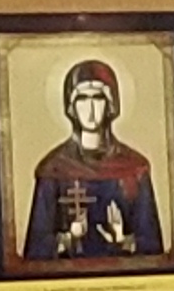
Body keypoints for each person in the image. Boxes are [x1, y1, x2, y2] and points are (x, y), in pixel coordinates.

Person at [22, 56, 165, 260]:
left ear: (110, 104)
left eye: (98, 98)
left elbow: (153, 247)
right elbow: (36, 250)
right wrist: (68, 238)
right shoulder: (53, 169)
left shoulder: (134, 167)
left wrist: (123, 241)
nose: (90, 108)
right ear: (71, 107)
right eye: (82, 99)